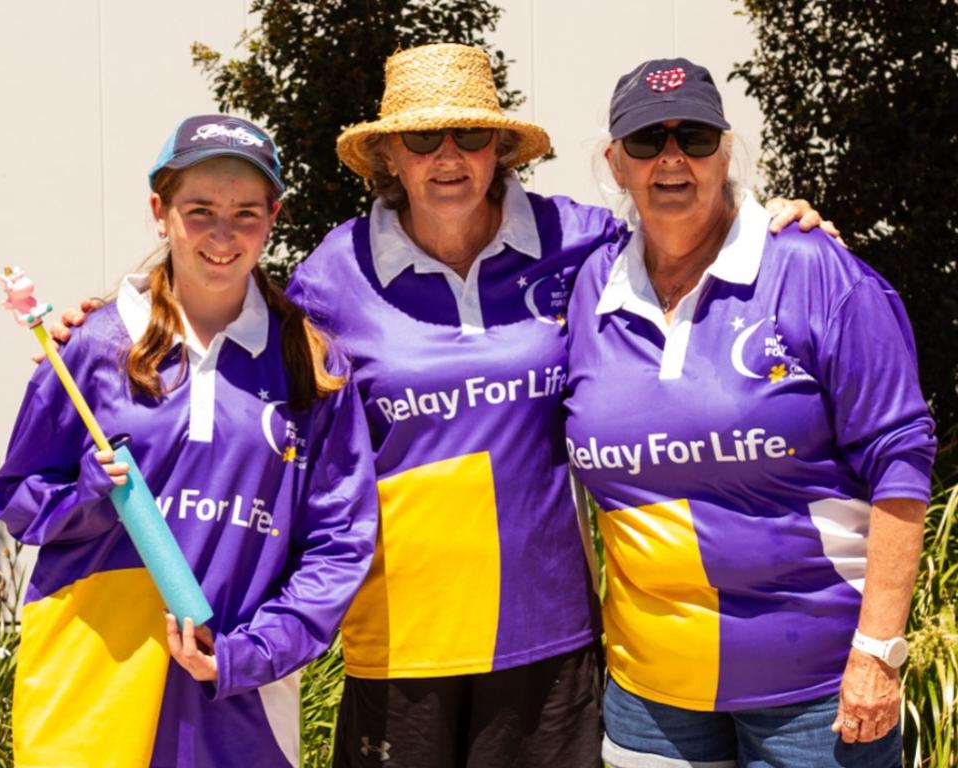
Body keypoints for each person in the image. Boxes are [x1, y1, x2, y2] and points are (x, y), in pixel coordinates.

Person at [50, 45, 827, 767]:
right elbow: (218, 320)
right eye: (424, 141)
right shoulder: (330, 276)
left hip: (549, 642)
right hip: (401, 647)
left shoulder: (583, 241)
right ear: (388, 156)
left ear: (501, 149)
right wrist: (101, 326)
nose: (448, 157)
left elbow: (685, 231)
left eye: (468, 135)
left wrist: (774, 224)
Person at [563, 58, 936, 768]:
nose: (671, 158)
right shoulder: (587, 287)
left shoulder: (815, 271)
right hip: (651, 697)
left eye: (695, 136)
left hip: (818, 693)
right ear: (615, 162)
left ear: (727, 149)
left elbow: (901, 462)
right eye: (646, 141)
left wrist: (879, 655)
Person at [0, 115, 378, 768]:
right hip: (100, 684)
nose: (222, 236)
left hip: (240, 699)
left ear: (273, 217)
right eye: (199, 210)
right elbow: (16, 497)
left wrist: (250, 653)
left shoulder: (311, 362)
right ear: (159, 211)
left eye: (246, 213)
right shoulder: (94, 346)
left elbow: (339, 541)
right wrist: (88, 496)